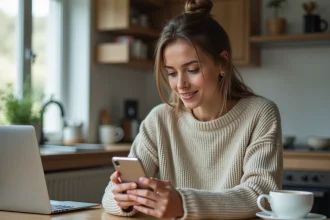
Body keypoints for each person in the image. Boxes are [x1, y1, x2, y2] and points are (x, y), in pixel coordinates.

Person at [102, 0, 283, 219]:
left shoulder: (260, 114)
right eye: (171, 73)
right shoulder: (159, 120)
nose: (180, 84)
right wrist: (125, 200)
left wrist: (182, 204)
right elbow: (109, 198)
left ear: (222, 63)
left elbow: (260, 195)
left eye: (192, 69)